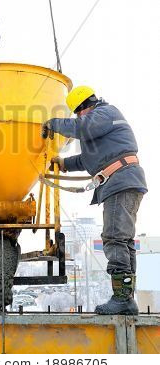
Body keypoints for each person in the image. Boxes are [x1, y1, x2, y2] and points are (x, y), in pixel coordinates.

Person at [42, 86, 147, 315]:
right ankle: (125, 298)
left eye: (78, 113)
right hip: (121, 181)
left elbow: (83, 128)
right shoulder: (100, 126)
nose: (78, 118)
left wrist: (53, 123)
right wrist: (63, 164)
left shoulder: (105, 113)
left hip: (122, 181)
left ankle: (122, 299)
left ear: (83, 108)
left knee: (114, 238)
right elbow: (88, 159)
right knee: (124, 240)